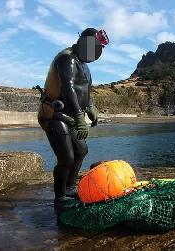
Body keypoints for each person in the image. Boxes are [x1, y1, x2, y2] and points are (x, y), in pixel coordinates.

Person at [37, 28, 109, 213]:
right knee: (66, 157)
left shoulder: (84, 64)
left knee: (81, 150)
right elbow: (68, 89)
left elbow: (83, 90)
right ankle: (60, 197)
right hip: (55, 115)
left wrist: (89, 108)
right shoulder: (66, 59)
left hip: (72, 116)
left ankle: (70, 187)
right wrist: (79, 116)